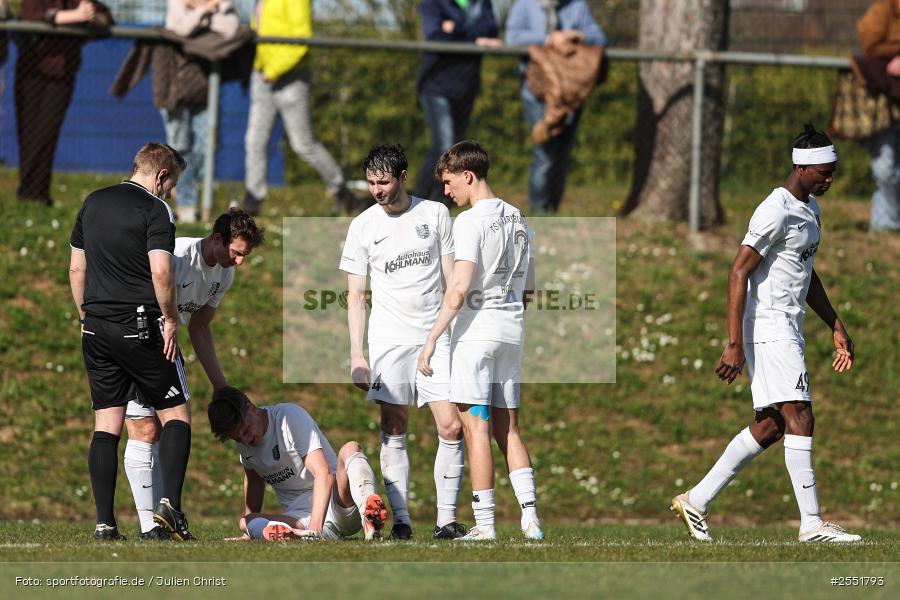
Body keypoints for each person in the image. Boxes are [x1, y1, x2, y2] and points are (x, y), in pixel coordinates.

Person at [670, 124, 862, 544]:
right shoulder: (774, 209)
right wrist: (734, 342)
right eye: (823, 173)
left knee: (774, 425)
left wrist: (836, 325)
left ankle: (696, 501)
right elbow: (738, 270)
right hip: (769, 326)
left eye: (833, 172)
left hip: (788, 326)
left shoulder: (810, 209)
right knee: (802, 416)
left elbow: (805, 274)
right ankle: (812, 525)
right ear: (800, 167)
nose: (830, 179)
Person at [69, 142, 195, 541]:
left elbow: (76, 267)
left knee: (107, 423)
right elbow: (161, 273)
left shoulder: (92, 202)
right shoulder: (155, 209)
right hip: (140, 326)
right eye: (172, 183)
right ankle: (171, 511)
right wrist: (172, 320)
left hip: (97, 327)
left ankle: (105, 523)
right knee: (176, 415)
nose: (170, 191)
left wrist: (85, 316)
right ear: (161, 175)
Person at [339, 144, 466, 540]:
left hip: (435, 336)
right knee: (394, 425)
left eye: (384, 181)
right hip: (389, 340)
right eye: (371, 182)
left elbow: (451, 282)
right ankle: (403, 521)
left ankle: (446, 521)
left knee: (451, 426)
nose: (377, 189)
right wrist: (358, 354)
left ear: (403, 177)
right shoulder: (362, 226)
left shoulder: (435, 213)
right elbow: (356, 296)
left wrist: (453, 333)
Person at [417, 140, 542, 542]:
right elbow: (530, 290)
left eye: (450, 182)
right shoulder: (520, 218)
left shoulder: (469, 222)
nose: (446, 191)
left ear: (468, 176)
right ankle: (531, 519)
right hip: (512, 331)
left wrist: (432, 339)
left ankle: (485, 525)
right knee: (511, 429)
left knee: (476, 428)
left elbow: (459, 287)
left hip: (477, 335)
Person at [122, 208, 265, 540]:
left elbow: (200, 327)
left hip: (165, 345)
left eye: (245, 255)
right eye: (237, 252)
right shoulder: (176, 255)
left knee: (155, 429)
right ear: (217, 239)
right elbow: (139, 298)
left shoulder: (223, 273)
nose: (240, 262)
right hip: (140, 338)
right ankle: (153, 524)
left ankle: (158, 524)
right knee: (147, 427)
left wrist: (220, 386)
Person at [207, 386, 389, 541]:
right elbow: (254, 481)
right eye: (237, 438)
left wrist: (315, 530)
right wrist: (249, 531)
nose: (245, 440)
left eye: (246, 430)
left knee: (350, 448)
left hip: (339, 504)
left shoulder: (288, 418)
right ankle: (295, 535)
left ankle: (369, 513)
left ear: (251, 408)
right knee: (246, 521)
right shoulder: (244, 443)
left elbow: (323, 475)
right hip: (300, 518)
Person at [242, 0, 358, 217]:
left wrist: (274, 70)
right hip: (262, 76)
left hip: (290, 78)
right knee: (254, 140)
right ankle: (253, 199)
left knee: (303, 144)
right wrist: (259, 68)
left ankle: (343, 191)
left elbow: (301, 39)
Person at [505, 0, 606, 213]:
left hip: (570, 92)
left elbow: (599, 37)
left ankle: (553, 209)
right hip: (536, 92)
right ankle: (539, 211)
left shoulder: (576, 6)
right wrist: (549, 39)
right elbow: (512, 38)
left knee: (562, 153)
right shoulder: (524, 5)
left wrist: (575, 36)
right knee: (545, 153)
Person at [16, 0, 112, 205]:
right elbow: (33, 15)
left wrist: (93, 16)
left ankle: (38, 194)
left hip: (62, 73)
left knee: (47, 132)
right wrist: (76, 15)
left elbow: (105, 16)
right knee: (29, 131)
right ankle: (28, 192)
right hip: (32, 70)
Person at [414, 0, 501, 204]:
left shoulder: (482, 3)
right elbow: (436, 36)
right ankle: (426, 199)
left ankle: (430, 199)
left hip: (466, 86)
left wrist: (455, 28)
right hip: (436, 86)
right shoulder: (431, 4)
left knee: (453, 147)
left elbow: (491, 29)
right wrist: (475, 39)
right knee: (445, 145)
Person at [161, 0, 240, 223]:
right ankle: (184, 205)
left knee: (204, 148)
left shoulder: (221, 3)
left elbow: (230, 28)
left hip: (205, 88)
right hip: (174, 87)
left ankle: (186, 198)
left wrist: (202, 11)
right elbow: (181, 29)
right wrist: (205, 12)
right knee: (180, 148)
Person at [858, 0, 900, 232]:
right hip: (881, 100)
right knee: (885, 167)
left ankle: (884, 226)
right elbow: (870, 46)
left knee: (893, 168)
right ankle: (890, 225)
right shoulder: (882, 11)